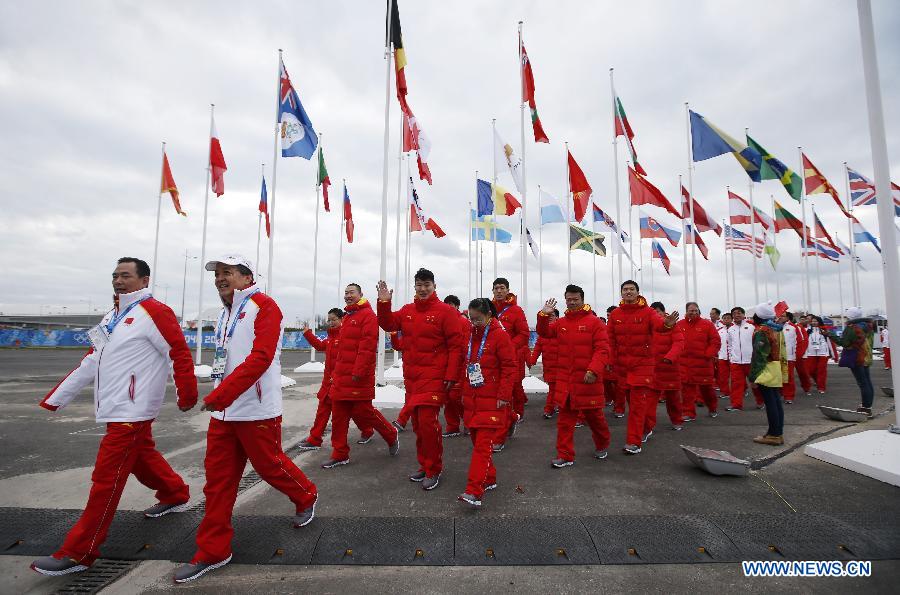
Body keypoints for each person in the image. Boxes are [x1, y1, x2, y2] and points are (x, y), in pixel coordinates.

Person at [32, 257, 197, 577]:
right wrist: (57, 398)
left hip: (131, 411)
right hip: (115, 407)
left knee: (105, 481)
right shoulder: (112, 317)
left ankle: (80, 551)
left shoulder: (155, 312)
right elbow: (92, 360)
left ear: (144, 280)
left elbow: (177, 351)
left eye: (126, 275)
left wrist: (186, 393)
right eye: (115, 275)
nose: (119, 281)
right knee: (141, 456)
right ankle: (175, 494)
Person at [175, 255, 317, 583]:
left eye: (228, 272)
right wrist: (220, 397)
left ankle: (306, 494)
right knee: (218, 483)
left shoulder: (264, 306)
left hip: (256, 409)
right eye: (217, 274)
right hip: (224, 413)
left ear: (246, 276)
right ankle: (213, 551)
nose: (220, 278)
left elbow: (261, 357)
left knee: (270, 466)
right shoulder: (226, 313)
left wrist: (222, 394)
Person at [376, 269, 464, 491]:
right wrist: (384, 303)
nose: (423, 289)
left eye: (427, 284)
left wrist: (451, 375)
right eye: (419, 285)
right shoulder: (407, 311)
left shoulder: (446, 312)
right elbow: (387, 324)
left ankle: (434, 469)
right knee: (417, 425)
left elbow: (456, 346)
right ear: (414, 287)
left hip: (435, 378)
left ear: (434, 286)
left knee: (428, 423)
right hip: (413, 379)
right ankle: (424, 465)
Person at [320, 284, 400, 469]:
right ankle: (340, 454)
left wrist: (358, 371)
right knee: (339, 417)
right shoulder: (348, 317)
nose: (348, 296)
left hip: (358, 377)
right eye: (346, 293)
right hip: (340, 377)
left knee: (364, 413)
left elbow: (367, 346)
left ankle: (391, 434)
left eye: (351, 293)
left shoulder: (368, 316)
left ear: (361, 294)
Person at [536, 286, 611, 467]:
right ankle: (565, 455)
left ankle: (602, 444)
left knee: (596, 420)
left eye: (575, 299)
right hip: (567, 383)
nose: (572, 302)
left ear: (582, 299)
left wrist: (593, 370)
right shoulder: (561, 323)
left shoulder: (595, 323)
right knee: (564, 422)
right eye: (569, 299)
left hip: (587, 382)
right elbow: (544, 332)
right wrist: (543, 316)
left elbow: (602, 350)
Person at [457, 298, 517, 508]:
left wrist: (503, 395)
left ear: (489, 315)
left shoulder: (500, 336)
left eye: (478, 319)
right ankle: (489, 478)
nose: (474, 322)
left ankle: (474, 491)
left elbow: (510, 367)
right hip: (472, 398)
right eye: (471, 318)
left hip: (492, 399)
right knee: (476, 441)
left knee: (482, 447)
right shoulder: (469, 335)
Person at [607, 280, 675, 454]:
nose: (628, 292)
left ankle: (634, 442)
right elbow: (610, 340)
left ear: (638, 292)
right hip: (623, 367)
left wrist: (667, 323)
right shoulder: (615, 314)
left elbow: (660, 326)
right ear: (621, 293)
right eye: (625, 289)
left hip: (643, 365)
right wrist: (610, 362)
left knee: (637, 405)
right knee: (633, 402)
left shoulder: (648, 312)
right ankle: (646, 427)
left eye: (631, 289)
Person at [298, 309, 374, 450]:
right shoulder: (330, 338)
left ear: (342, 320)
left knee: (355, 412)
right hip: (328, 383)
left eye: (334, 319)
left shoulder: (347, 338)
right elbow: (320, 346)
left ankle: (367, 430)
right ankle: (314, 439)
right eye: (329, 320)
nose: (331, 322)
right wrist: (307, 333)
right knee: (322, 411)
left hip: (342, 383)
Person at [491, 278, 530, 446]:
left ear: (508, 290)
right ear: (492, 290)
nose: (499, 291)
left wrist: (507, 348)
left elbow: (524, 334)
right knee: (495, 394)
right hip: (492, 361)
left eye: (502, 288)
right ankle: (512, 417)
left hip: (509, 360)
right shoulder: (488, 309)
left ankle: (499, 436)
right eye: (496, 288)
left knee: (507, 394)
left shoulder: (516, 311)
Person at [676, 302, 721, 421]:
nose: (694, 312)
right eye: (691, 310)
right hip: (685, 364)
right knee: (687, 391)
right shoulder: (679, 325)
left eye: (696, 310)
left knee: (707, 390)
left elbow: (715, 341)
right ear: (686, 311)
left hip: (703, 364)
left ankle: (712, 407)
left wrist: (708, 354)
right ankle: (688, 412)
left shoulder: (707, 324)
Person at [748, 303, 785, 446]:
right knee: (775, 401)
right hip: (774, 368)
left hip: (766, 369)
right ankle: (776, 433)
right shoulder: (772, 329)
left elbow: (759, 356)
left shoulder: (761, 332)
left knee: (771, 403)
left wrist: (753, 377)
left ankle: (774, 435)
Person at [829, 307, 876, 417]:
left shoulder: (852, 328)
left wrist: (830, 335)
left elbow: (844, 343)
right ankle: (868, 406)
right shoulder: (869, 325)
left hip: (857, 357)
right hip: (867, 356)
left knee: (862, 383)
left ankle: (866, 408)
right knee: (867, 382)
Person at [650, 302, 684, 430]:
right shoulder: (649, 326)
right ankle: (647, 427)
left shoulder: (673, 325)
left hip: (670, 368)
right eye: (653, 312)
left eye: (658, 311)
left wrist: (670, 357)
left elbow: (679, 343)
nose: (656, 314)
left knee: (673, 399)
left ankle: (677, 421)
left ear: (663, 312)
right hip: (651, 368)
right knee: (649, 401)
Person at [442, 294, 470, 438]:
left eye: (452, 304)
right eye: (447, 304)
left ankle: (468, 422)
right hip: (444, 365)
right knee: (447, 398)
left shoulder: (463, 322)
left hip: (459, 365)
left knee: (456, 396)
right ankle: (452, 426)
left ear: (457, 306)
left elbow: (465, 345)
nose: (449, 307)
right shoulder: (443, 320)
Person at [726, 306, 762, 411]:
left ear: (743, 315)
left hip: (750, 361)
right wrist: (731, 357)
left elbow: (757, 343)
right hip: (736, 362)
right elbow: (729, 345)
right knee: (736, 384)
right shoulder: (731, 329)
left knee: (755, 384)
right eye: (734, 314)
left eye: (739, 313)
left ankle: (761, 401)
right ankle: (736, 405)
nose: (736, 315)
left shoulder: (751, 327)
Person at [527, 307, 560, 419]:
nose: (550, 318)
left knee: (555, 389)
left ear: (557, 317)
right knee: (553, 388)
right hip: (549, 366)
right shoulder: (543, 334)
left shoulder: (561, 330)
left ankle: (549, 409)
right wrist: (532, 360)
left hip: (561, 366)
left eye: (552, 316)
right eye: (548, 316)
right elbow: (537, 348)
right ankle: (554, 406)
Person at [799, 315, 830, 395]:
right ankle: (812, 384)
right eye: (813, 321)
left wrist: (831, 353)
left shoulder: (824, 330)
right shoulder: (807, 330)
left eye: (816, 321)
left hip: (823, 353)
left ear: (819, 322)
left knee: (821, 371)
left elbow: (830, 342)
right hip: (811, 353)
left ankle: (821, 387)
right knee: (810, 370)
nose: (814, 323)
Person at [605, 305, 626, 418]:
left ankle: (619, 408)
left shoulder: (622, 327)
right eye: (608, 315)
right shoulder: (604, 327)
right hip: (607, 360)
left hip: (620, 361)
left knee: (620, 387)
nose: (609, 317)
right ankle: (613, 401)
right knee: (606, 382)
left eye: (610, 315)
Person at [777, 310, 800, 405]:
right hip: (776, 357)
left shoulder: (793, 328)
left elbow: (799, 342)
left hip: (789, 357)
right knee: (777, 377)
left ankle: (789, 396)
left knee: (788, 378)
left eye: (783, 316)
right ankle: (779, 394)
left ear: (788, 318)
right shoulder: (773, 327)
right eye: (780, 316)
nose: (781, 317)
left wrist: (795, 355)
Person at [716, 312, 733, 396]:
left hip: (734, 357)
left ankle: (743, 389)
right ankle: (725, 392)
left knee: (736, 377)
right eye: (725, 318)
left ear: (732, 319)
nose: (726, 320)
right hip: (722, 356)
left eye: (728, 318)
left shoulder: (735, 329)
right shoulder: (719, 331)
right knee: (723, 376)